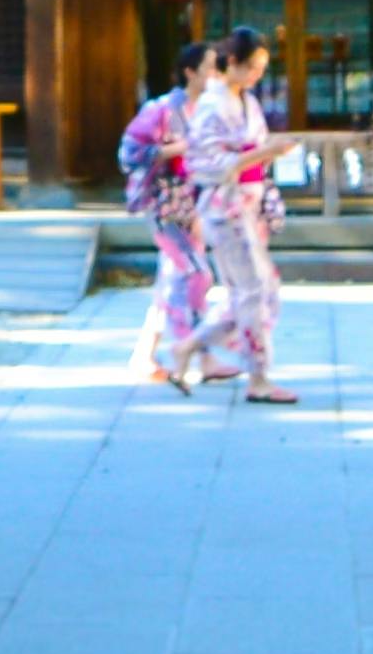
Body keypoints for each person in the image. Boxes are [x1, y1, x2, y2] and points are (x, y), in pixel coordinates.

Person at [178, 27, 292, 405]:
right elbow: (206, 164)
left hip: (246, 204)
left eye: (262, 67)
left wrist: (265, 154)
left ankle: (190, 347)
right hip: (225, 206)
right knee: (253, 291)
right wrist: (262, 154)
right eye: (252, 66)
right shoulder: (212, 105)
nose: (257, 74)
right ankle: (257, 375)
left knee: (258, 289)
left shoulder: (246, 101)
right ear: (233, 63)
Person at [125, 41, 213, 390]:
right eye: (209, 67)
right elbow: (130, 152)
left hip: (193, 204)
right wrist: (179, 148)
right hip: (164, 203)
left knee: (172, 279)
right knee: (192, 273)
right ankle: (190, 352)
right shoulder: (161, 109)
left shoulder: (205, 110)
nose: (215, 74)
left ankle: (145, 355)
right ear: (190, 72)